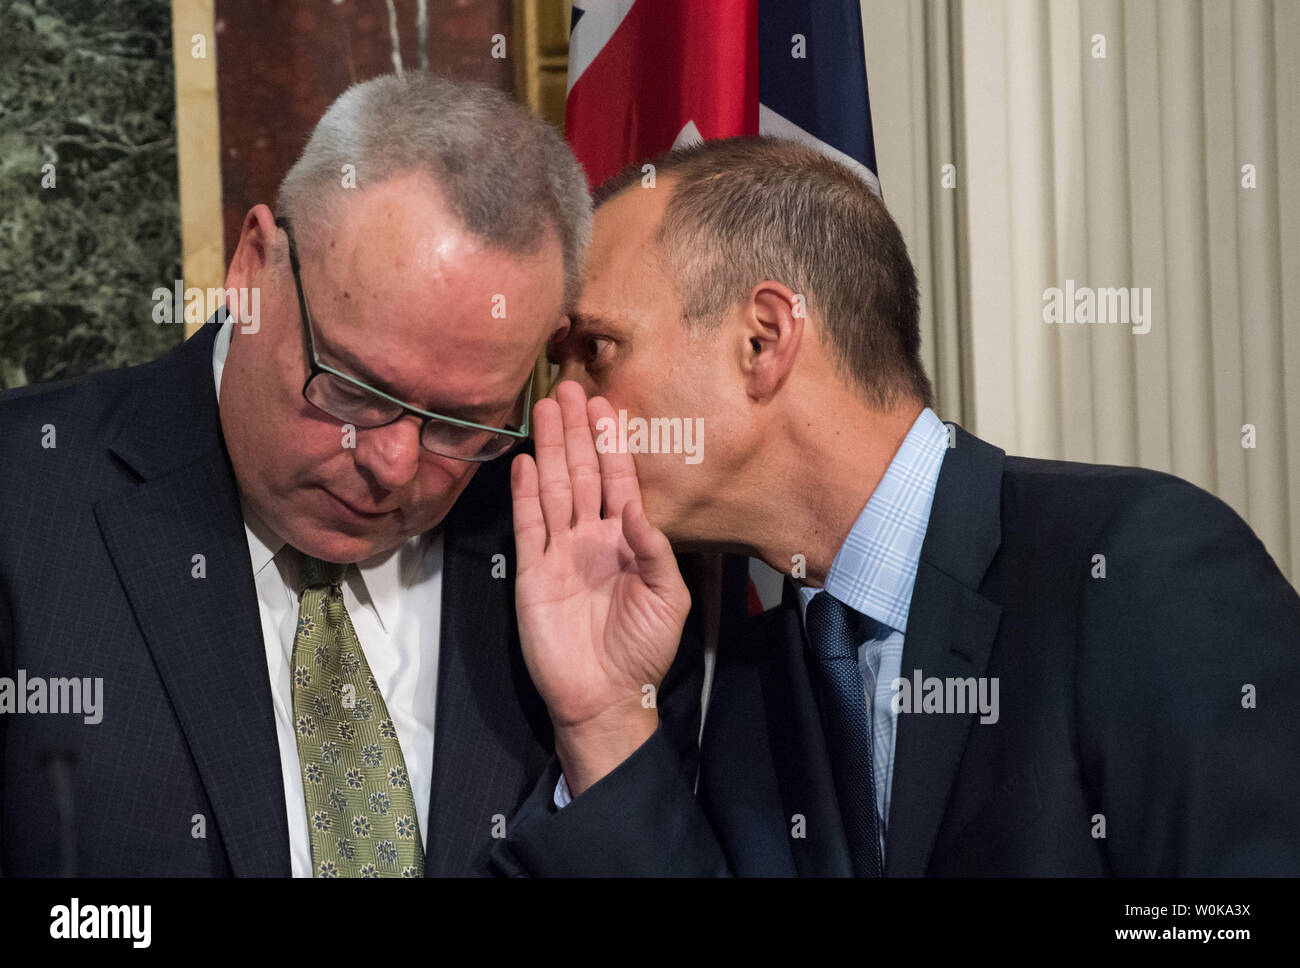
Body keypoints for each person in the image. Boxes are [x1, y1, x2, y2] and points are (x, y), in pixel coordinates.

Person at [493, 135, 1300, 876]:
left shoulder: (1133, 567)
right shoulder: (742, 688)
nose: (561, 406)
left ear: (764, 341)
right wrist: (602, 717)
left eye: (595, 351)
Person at [0, 72, 721, 877]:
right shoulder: (23, 497)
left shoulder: (596, 559)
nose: (394, 463)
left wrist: (606, 728)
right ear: (251, 269)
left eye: (461, 422)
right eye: (352, 388)